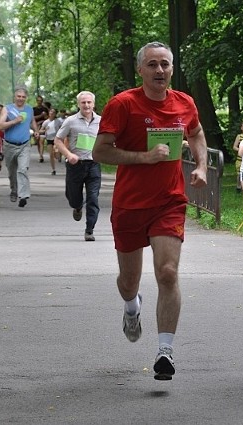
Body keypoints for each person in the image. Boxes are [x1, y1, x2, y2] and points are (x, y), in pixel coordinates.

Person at [92, 41, 208, 381]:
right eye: (153, 65)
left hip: (168, 201)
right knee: (129, 281)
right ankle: (132, 306)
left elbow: (197, 133)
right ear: (140, 70)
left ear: (172, 69)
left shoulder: (184, 103)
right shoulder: (122, 105)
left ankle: (165, 351)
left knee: (168, 272)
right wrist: (144, 157)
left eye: (165, 65)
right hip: (129, 204)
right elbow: (100, 151)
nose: (160, 71)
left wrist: (200, 166)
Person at [55, 92, 102, 241]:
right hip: (76, 164)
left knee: (93, 198)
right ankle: (77, 206)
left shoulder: (102, 121)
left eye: (89, 102)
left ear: (93, 104)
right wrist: (69, 155)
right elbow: (58, 140)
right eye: (83, 103)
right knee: (74, 197)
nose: (86, 105)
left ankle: (89, 230)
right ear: (78, 104)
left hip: (93, 164)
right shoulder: (71, 121)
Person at [0, 87, 39, 208]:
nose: (21, 99)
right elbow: (0, 126)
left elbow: (32, 122)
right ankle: (14, 190)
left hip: (24, 144)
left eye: (23, 97)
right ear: (15, 97)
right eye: (18, 96)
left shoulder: (29, 109)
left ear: (26, 98)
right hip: (9, 145)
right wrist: (15, 121)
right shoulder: (7, 109)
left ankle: (23, 195)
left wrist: (36, 131)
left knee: (23, 169)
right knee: (12, 173)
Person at [40, 108, 59, 175]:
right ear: (49, 113)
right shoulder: (46, 122)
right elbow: (40, 131)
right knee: (51, 154)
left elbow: (62, 129)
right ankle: (53, 169)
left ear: (55, 114)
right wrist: (45, 130)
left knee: (56, 154)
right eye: (51, 111)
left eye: (53, 112)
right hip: (49, 139)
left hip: (57, 139)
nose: (51, 113)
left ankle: (57, 155)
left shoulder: (58, 121)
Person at [33, 95, 49, 162]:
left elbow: (48, 118)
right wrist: (41, 116)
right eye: (38, 100)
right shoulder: (34, 109)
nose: (39, 102)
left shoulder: (45, 109)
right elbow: (33, 118)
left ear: (42, 101)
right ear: (36, 101)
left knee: (41, 141)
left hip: (43, 126)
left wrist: (44, 117)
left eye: (40, 101)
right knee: (38, 141)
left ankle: (41, 156)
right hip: (36, 126)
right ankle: (40, 154)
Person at [232, 121, 243, 192]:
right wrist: (240, 150)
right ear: (241, 128)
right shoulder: (239, 136)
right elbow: (234, 147)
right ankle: (238, 186)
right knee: (239, 173)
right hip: (240, 159)